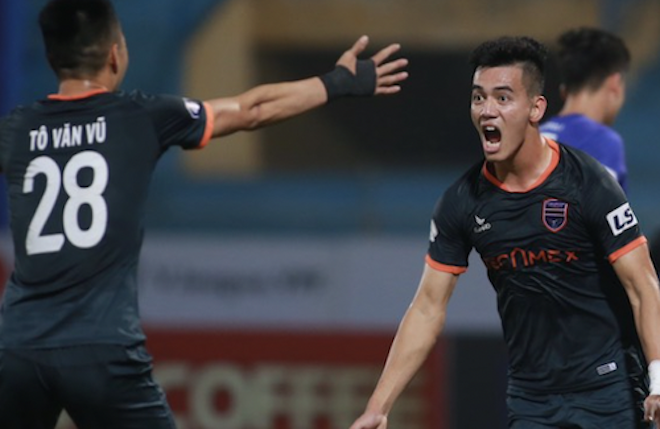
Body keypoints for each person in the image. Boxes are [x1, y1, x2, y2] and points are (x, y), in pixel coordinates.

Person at [0, 0, 408, 428]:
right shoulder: (141, 117)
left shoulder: (16, 130)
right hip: (100, 348)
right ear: (115, 54)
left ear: (52, 58)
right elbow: (251, 110)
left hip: (20, 349)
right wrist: (336, 82)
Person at [350, 36, 660, 429]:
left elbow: (642, 285)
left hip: (609, 387)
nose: (487, 111)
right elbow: (427, 308)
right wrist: (378, 406)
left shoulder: (589, 183)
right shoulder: (462, 203)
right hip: (531, 398)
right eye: (478, 98)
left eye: (502, 98)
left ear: (536, 108)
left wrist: (658, 380)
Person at [541, 27, 631, 191]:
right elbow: (601, 206)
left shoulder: (534, 137)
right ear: (615, 84)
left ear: (564, 90)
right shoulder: (602, 141)